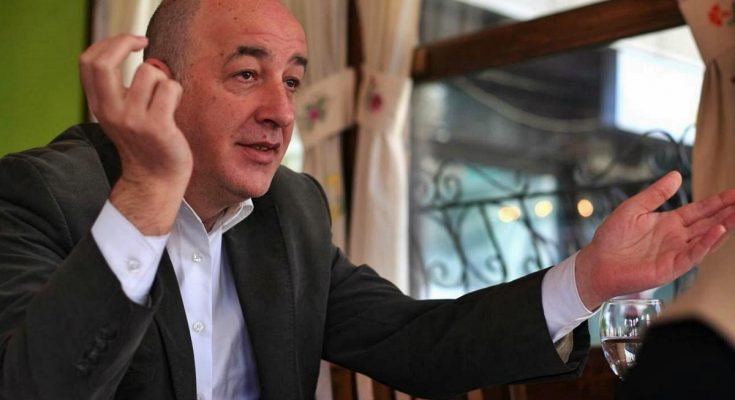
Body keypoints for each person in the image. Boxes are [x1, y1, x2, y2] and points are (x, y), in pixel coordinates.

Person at [1, 0, 734, 399]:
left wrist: (589, 279)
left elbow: (417, 343)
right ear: (156, 84)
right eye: (246, 74)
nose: (281, 112)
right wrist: (148, 188)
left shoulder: (291, 209)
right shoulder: (39, 195)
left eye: (292, 81)